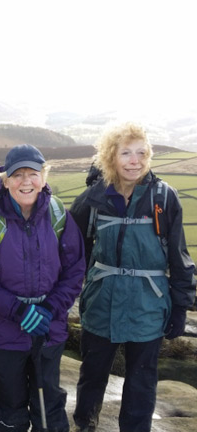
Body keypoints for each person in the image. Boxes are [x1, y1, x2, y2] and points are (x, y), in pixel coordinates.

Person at [69, 122, 196, 432]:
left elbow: (179, 258)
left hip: (148, 303)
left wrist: (180, 307)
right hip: (102, 301)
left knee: (141, 380)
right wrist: (66, 299)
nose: (134, 160)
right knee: (93, 372)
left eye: (141, 152)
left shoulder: (164, 198)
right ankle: (85, 424)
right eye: (125, 152)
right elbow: (72, 255)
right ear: (111, 156)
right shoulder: (93, 199)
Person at [0, 144, 86, 432]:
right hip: (4, 334)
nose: (26, 181)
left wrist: (48, 308)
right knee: (11, 408)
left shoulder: (59, 216)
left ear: (44, 178)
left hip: (48, 330)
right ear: (5, 181)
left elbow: (75, 270)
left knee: (49, 407)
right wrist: (19, 310)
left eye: (32, 173)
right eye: (17, 175)